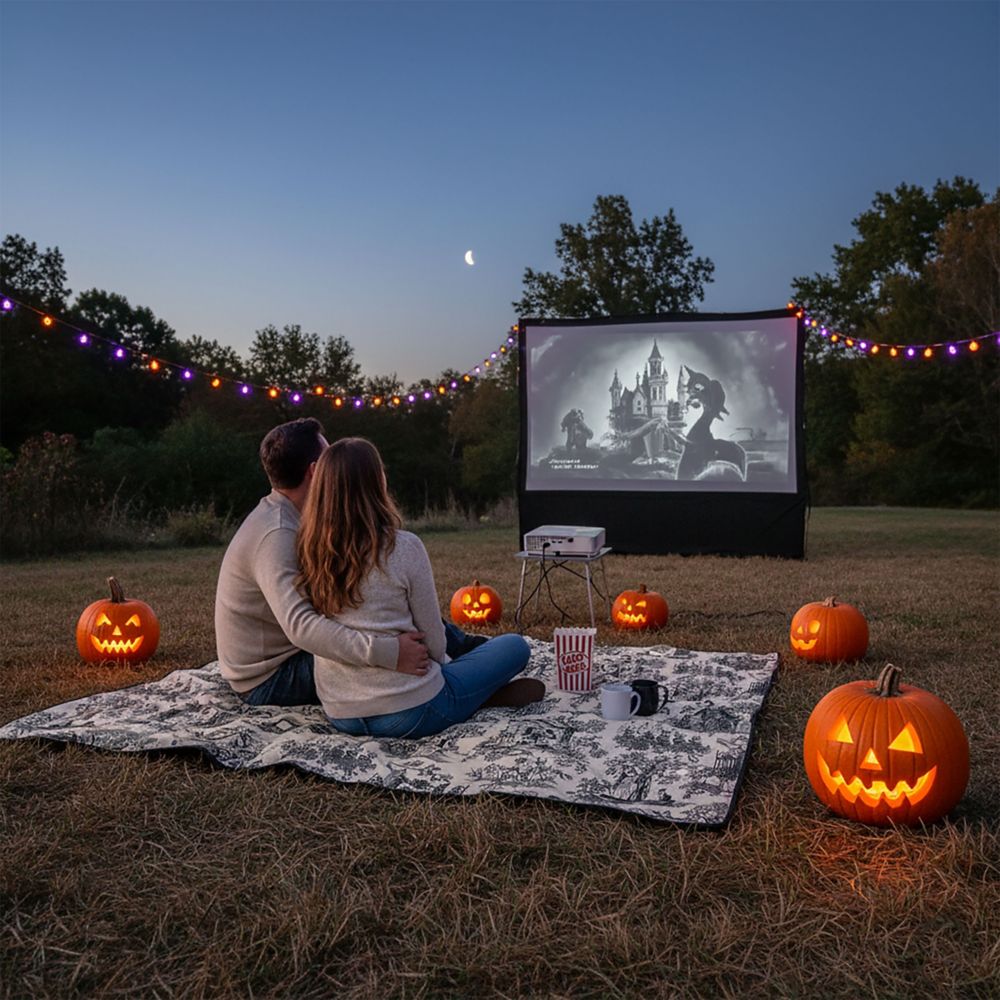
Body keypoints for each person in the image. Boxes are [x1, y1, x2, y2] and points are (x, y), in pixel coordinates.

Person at [215, 418, 482, 706]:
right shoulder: (277, 535)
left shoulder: (295, 518)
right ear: (317, 471)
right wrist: (389, 652)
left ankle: (466, 654)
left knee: (390, 606)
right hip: (270, 678)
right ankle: (465, 683)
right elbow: (301, 627)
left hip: (289, 656)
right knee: (391, 637)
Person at [297, 437, 541, 739]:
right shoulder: (403, 547)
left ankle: (467, 694)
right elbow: (435, 645)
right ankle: (473, 697)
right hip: (412, 712)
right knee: (515, 646)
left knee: (465, 668)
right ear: (377, 482)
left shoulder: (308, 552)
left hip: (342, 714)